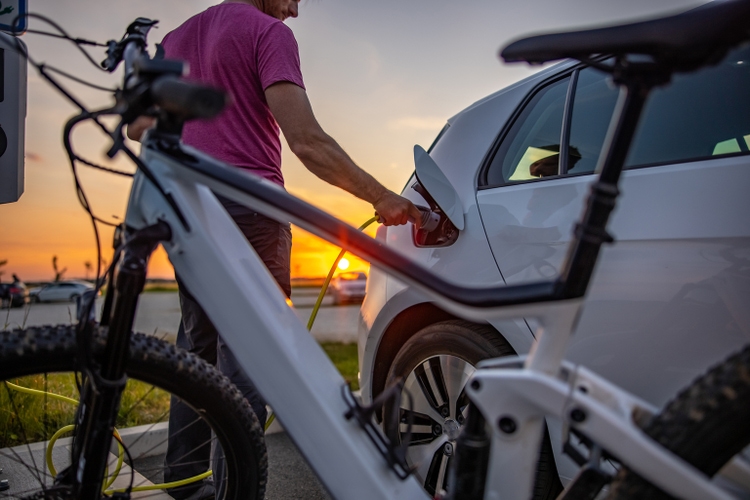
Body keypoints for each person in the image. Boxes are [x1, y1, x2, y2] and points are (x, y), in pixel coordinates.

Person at [127, 1, 421, 498]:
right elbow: (306, 142)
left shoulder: (175, 38)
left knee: (197, 349)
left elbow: (137, 128)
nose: (296, 10)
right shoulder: (268, 33)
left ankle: (184, 480)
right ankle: (233, 492)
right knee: (249, 359)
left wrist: (198, 143)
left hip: (187, 209)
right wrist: (381, 196)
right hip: (249, 210)